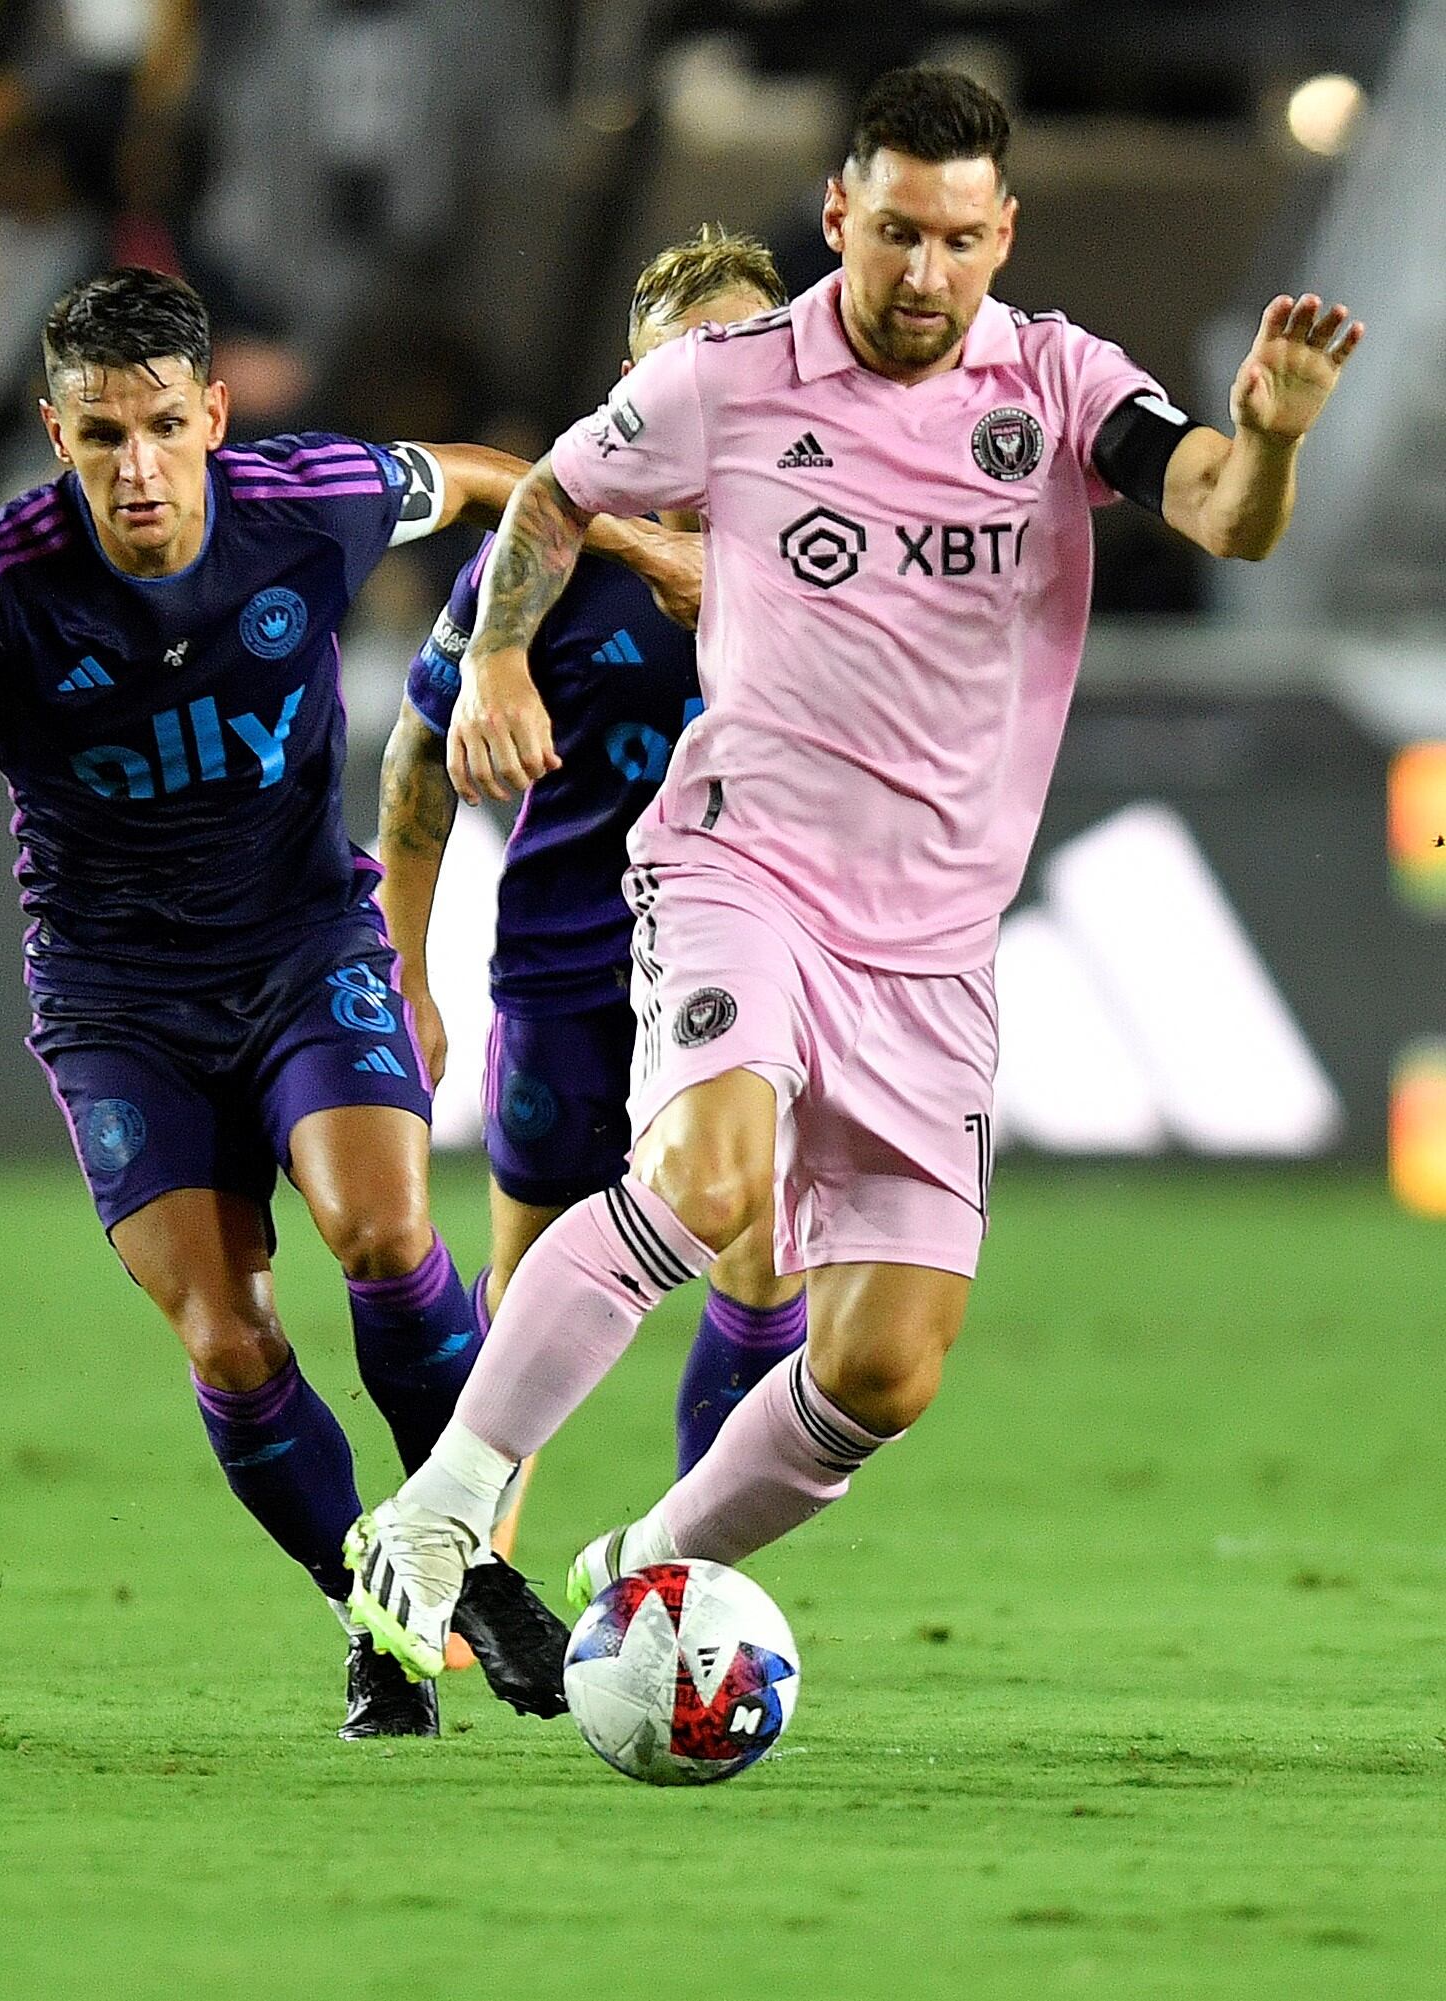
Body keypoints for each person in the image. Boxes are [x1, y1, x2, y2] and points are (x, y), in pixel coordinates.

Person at [344, 67, 1363, 1695]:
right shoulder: (735, 377)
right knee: (712, 1178)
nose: (923, 273)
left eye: (959, 239)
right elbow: (550, 493)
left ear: (1001, 232)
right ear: (840, 217)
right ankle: (446, 1510)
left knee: (885, 1368)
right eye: (895, 232)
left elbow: (1224, 514)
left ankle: (645, 1566)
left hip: (935, 944)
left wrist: (1282, 436)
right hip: (745, 855)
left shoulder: (1063, 383)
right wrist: (493, 665)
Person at [0, 267, 697, 1737]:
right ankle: (387, 1607)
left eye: (159, 426)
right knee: (230, 1340)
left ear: (214, 412)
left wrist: (642, 541)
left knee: (389, 1236)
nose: (134, 468)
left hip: (303, 946)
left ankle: (457, 1550)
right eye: (98, 437)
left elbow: (484, 484)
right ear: (54, 431)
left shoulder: (314, 496)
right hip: (116, 998)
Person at [373, 226, 804, 1598]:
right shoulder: (538, 560)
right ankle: (452, 1583)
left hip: (755, 970)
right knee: (525, 1298)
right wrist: (407, 968)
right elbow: (413, 760)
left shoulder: (825, 550)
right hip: (567, 977)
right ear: (634, 382)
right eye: (683, 368)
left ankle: (678, 1582)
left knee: (761, 1255)